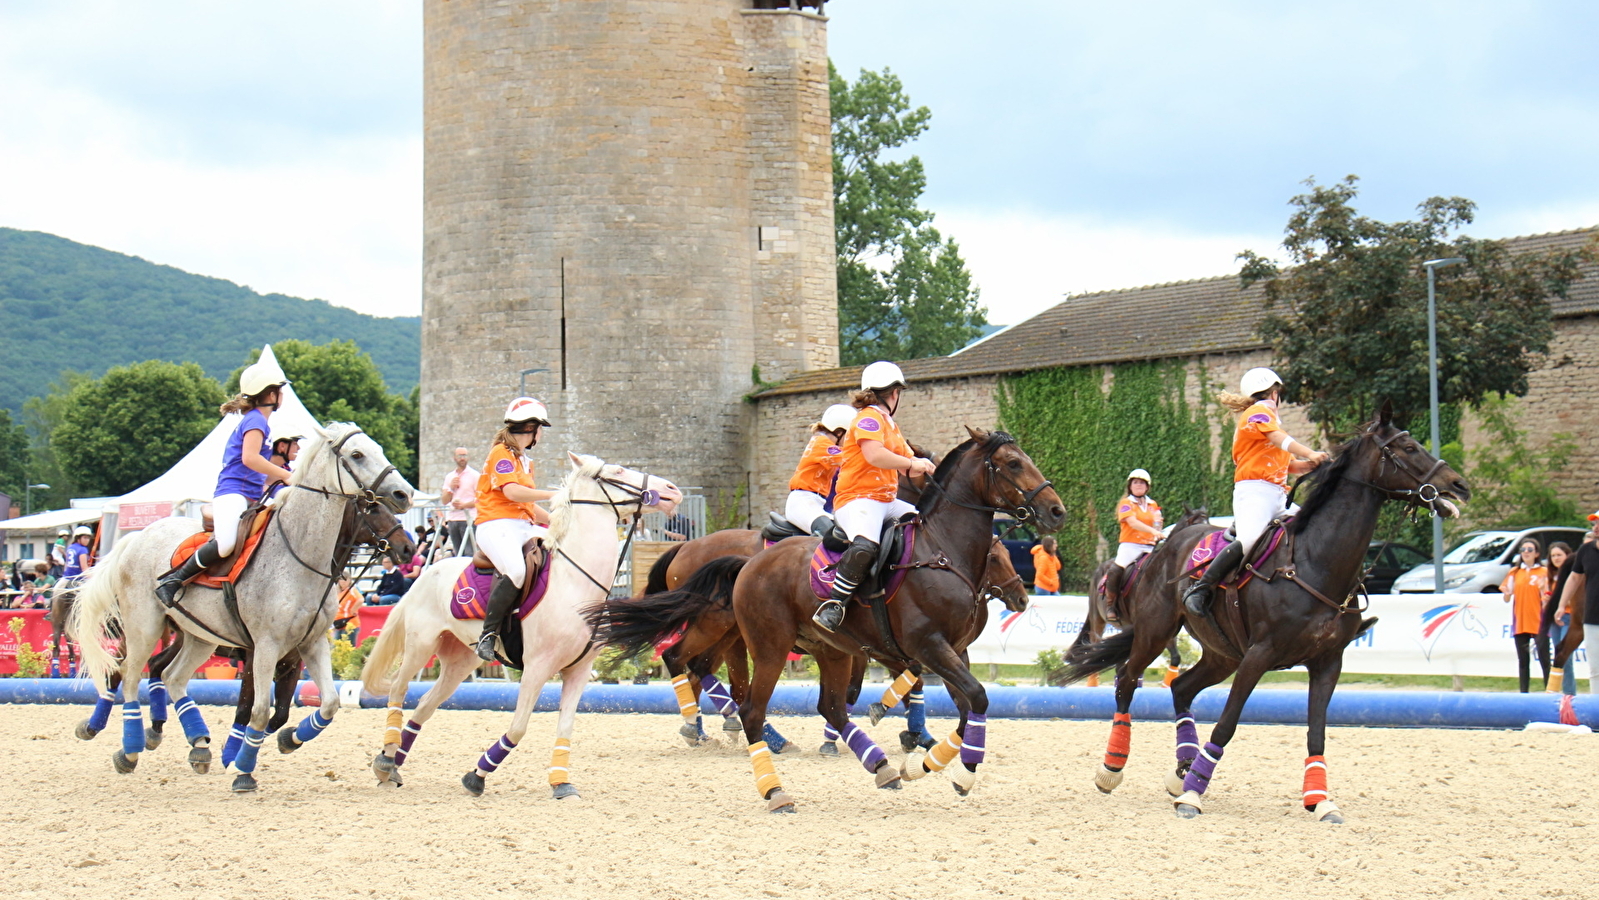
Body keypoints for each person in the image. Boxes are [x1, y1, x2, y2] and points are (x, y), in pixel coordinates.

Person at [1184, 368, 1328, 616]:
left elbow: (1287, 464)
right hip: (1255, 492)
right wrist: (1311, 452)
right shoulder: (1259, 411)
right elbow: (1277, 437)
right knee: (1249, 540)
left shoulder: (1267, 418)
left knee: (1312, 529)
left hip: (1278, 495)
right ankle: (1200, 588)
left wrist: (1310, 465)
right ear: (1274, 393)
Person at [156, 358, 294, 606]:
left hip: (250, 494)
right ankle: (173, 581)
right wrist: (285, 474)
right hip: (233, 492)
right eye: (280, 390)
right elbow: (250, 458)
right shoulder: (256, 421)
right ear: (271, 394)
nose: (282, 395)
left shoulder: (259, 421)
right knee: (226, 544)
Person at [813, 362, 936, 632]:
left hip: (885, 501)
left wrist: (930, 470)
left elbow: (907, 462)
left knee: (925, 526)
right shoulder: (868, 418)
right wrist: (914, 465)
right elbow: (874, 455)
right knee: (866, 545)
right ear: (893, 393)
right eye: (898, 393)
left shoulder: (891, 424)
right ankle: (835, 604)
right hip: (857, 500)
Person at [473, 397, 555, 660]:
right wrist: (553, 494)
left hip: (523, 525)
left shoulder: (525, 461)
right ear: (531, 429)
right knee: (517, 571)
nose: (540, 435)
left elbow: (529, 506)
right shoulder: (501, 453)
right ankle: (488, 634)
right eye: (540, 429)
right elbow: (513, 492)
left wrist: (558, 521)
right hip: (495, 524)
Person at [784, 404, 857, 536]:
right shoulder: (823, 444)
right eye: (849, 436)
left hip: (815, 502)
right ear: (839, 432)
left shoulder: (821, 442)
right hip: (803, 502)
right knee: (831, 535)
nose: (850, 441)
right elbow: (851, 460)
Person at [1556, 512, 1599, 694]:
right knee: (1595, 669)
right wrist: (1561, 605)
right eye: (1594, 524)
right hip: (1591, 617)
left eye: (1598, 523)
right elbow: (1574, 578)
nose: (1595, 527)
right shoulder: (1586, 550)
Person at [1501, 538, 1550, 693]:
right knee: (1523, 660)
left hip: (1539, 621)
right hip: (1521, 621)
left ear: (1536, 553)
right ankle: (1524, 692)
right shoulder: (1515, 572)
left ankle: (1549, 690)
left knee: (1544, 659)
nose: (1526, 553)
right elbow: (1507, 597)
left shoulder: (1543, 572)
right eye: (1523, 550)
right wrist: (1507, 593)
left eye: (1530, 550)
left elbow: (1547, 595)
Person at [1106, 468, 1162, 602]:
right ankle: (1111, 603)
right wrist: (1153, 531)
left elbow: (1156, 524)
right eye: (1135, 482)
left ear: (1147, 487)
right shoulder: (1126, 503)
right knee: (1116, 569)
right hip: (1131, 546)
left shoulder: (1152, 504)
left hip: (1149, 546)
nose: (1138, 485)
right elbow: (1132, 522)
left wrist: (1158, 527)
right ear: (1130, 486)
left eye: (1142, 483)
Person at [1540, 541, 1577, 695]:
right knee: (1557, 655)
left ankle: (1569, 694)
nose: (1556, 558)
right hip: (1554, 620)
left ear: (1567, 556)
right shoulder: (1547, 577)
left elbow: (1576, 599)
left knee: (1565, 656)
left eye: (1559, 555)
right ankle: (1556, 691)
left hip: (1568, 616)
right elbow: (1544, 605)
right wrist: (1546, 601)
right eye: (1553, 555)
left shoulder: (1573, 574)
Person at [439, 447, 480, 556]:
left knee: (469, 552)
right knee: (457, 552)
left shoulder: (475, 476)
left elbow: (481, 499)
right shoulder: (449, 477)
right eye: (460, 456)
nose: (462, 458)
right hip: (453, 518)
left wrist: (464, 505)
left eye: (465, 455)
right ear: (454, 458)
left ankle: (470, 572)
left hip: (469, 518)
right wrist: (451, 488)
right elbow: (444, 500)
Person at [262, 427, 302, 503]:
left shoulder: (290, 472)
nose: (299, 448)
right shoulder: (256, 470)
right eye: (295, 443)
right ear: (282, 446)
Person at [333, 575, 362, 644]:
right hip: (339, 623)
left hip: (350, 623)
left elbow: (360, 599)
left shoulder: (351, 590)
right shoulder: (337, 592)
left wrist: (353, 609)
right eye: (341, 579)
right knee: (336, 647)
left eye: (345, 579)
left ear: (349, 581)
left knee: (348, 647)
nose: (343, 582)